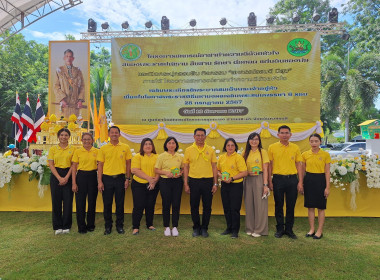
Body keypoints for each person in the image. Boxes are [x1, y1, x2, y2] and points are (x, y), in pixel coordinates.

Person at [268, 125, 303, 239]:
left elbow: (299, 165)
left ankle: (289, 230)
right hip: (277, 179)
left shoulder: (295, 148)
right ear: (278, 135)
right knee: (278, 205)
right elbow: (269, 165)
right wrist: (270, 181)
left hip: (292, 179)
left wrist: (300, 182)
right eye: (282, 133)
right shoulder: (272, 147)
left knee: (290, 206)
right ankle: (279, 229)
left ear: (290, 135)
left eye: (286, 133)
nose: (284, 135)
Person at [183, 128, 218, 238]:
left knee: (207, 206)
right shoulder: (189, 150)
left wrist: (215, 183)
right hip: (194, 181)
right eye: (198, 135)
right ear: (194, 137)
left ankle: (204, 228)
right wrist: (186, 183)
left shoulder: (210, 150)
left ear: (205, 137)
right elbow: (185, 167)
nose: (200, 137)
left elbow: (214, 167)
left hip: (208, 181)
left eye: (202, 135)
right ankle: (196, 228)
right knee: (194, 206)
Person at [97, 126, 132, 235]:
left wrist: (127, 178)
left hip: (120, 178)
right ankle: (108, 226)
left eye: (116, 132)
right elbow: (100, 166)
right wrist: (100, 181)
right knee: (107, 204)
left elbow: (128, 164)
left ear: (119, 134)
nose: (114, 134)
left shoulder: (125, 147)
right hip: (106, 179)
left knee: (120, 204)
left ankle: (119, 226)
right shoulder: (103, 148)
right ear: (108, 134)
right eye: (112, 132)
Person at [301, 133, 331, 239]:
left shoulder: (325, 155)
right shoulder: (304, 154)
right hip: (309, 180)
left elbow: (327, 172)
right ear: (309, 142)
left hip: (321, 180)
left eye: (316, 141)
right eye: (312, 141)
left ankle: (319, 230)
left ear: (320, 142)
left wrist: (327, 187)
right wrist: (302, 184)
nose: (314, 143)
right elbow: (303, 171)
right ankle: (312, 229)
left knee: (321, 207)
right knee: (310, 207)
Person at [217, 138, 247, 238]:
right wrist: (221, 176)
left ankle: (235, 231)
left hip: (236, 185)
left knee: (234, 209)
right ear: (225, 147)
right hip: (225, 185)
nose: (230, 147)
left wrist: (232, 178)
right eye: (228, 145)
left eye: (232, 145)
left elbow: (244, 172)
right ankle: (228, 228)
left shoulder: (238, 158)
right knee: (226, 208)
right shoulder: (221, 157)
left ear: (235, 147)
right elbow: (217, 170)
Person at [48, 128, 76, 235]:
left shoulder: (73, 149)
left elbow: (74, 165)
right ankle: (57, 226)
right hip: (56, 175)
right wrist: (59, 178)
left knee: (68, 202)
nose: (63, 137)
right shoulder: (53, 149)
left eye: (66, 135)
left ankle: (66, 225)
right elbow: (51, 164)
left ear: (69, 137)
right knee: (56, 201)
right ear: (58, 136)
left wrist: (66, 178)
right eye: (62, 135)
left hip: (68, 174)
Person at [155, 137, 184, 237]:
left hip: (177, 182)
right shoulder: (161, 156)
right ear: (166, 145)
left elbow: (183, 169)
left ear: (176, 145)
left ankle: (175, 226)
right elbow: (156, 170)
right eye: (169, 143)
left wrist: (180, 173)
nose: (171, 145)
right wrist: (166, 173)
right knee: (166, 204)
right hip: (165, 182)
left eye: (173, 143)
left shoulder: (179, 156)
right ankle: (166, 227)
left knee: (176, 203)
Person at [243, 132, 270, 237]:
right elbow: (241, 167)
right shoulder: (245, 152)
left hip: (259, 178)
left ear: (259, 141)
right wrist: (246, 172)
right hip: (248, 179)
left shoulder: (263, 152)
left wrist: (265, 184)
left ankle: (259, 229)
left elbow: (265, 168)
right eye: (252, 139)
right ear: (248, 141)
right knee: (249, 204)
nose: (254, 141)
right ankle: (250, 228)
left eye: (256, 139)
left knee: (260, 205)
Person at [131, 138, 160, 235]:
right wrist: (149, 179)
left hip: (154, 184)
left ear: (153, 146)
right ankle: (135, 227)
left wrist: (154, 181)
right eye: (145, 144)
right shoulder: (137, 156)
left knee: (150, 205)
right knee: (138, 205)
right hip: (139, 184)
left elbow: (159, 170)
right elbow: (135, 170)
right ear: (142, 146)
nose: (148, 146)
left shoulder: (157, 156)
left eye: (150, 144)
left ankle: (149, 224)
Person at [71, 133, 98, 234]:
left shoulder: (97, 151)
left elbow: (100, 166)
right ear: (82, 140)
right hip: (81, 177)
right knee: (80, 203)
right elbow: (74, 168)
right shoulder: (77, 152)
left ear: (92, 140)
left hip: (92, 177)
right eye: (85, 139)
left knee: (92, 202)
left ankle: (91, 225)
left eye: (89, 139)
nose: (87, 141)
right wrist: (74, 183)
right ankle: (81, 226)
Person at [54, 49, 85, 118]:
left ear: (73, 58)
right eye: (67, 56)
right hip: (63, 105)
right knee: (62, 127)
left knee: (75, 127)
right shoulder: (59, 70)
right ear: (64, 58)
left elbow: (82, 86)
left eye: (70, 56)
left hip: (75, 105)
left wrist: (80, 100)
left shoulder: (78, 71)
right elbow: (56, 86)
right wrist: (62, 99)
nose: (68, 58)